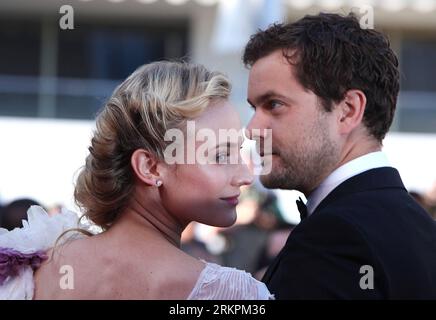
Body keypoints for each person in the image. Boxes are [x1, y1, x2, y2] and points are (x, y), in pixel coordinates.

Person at [0, 61, 273, 300]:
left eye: (239, 152)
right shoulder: (235, 295)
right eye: (221, 155)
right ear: (150, 167)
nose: (245, 176)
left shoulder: (33, 267)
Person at [243, 12, 436, 299]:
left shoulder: (335, 237)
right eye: (253, 108)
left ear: (347, 110)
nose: (252, 129)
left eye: (274, 104)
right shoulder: (420, 228)